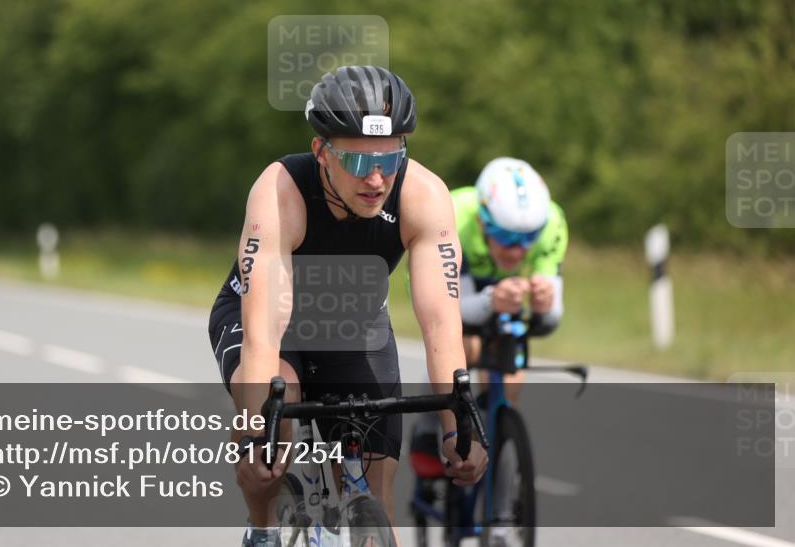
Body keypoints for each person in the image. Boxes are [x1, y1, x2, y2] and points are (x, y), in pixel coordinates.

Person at [208, 65, 487, 547]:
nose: (377, 178)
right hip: (268, 321)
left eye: (390, 158)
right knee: (280, 409)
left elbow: (442, 323)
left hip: (354, 324)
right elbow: (263, 333)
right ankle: (262, 527)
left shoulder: (424, 196)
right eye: (358, 163)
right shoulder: (279, 192)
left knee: (377, 495)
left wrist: (458, 427)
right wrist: (257, 434)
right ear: (322, 153)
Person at [451, 157, 568, 402]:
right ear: (481, 222)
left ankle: (499, 423)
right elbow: (447, 311)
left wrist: (543, 307)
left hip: (508, 294)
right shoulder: (453, 217)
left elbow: (551, 319)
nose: (516, 250)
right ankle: (430, 427)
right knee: (463, 349)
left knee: (510, 365)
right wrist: (491, 300)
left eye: (529, 237)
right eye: (504, 236)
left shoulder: (553, 224)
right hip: (464, 283)